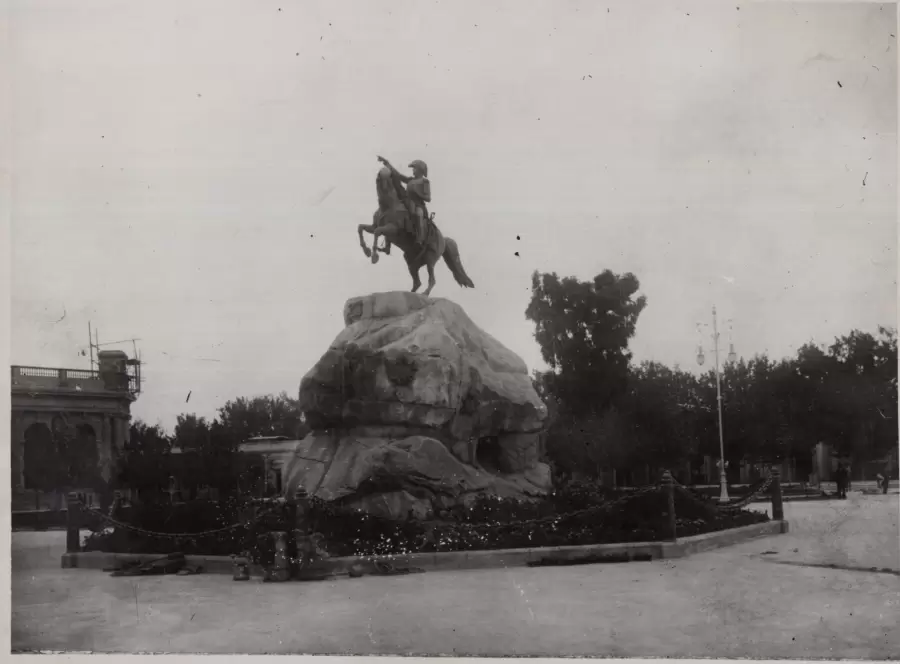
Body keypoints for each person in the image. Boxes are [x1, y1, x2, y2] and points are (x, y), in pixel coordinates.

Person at [377, 156, 431, 245]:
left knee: (418, 214)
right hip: (408, 203)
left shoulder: (425, 182)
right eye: (413, 169)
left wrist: (418, 193)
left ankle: (420, 238)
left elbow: (428, 198)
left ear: (420, 170)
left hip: (419, 205)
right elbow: (398, 175)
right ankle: (389, 241)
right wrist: (387, 163)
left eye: (415, 168)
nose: (413, 170)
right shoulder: (410, 180)